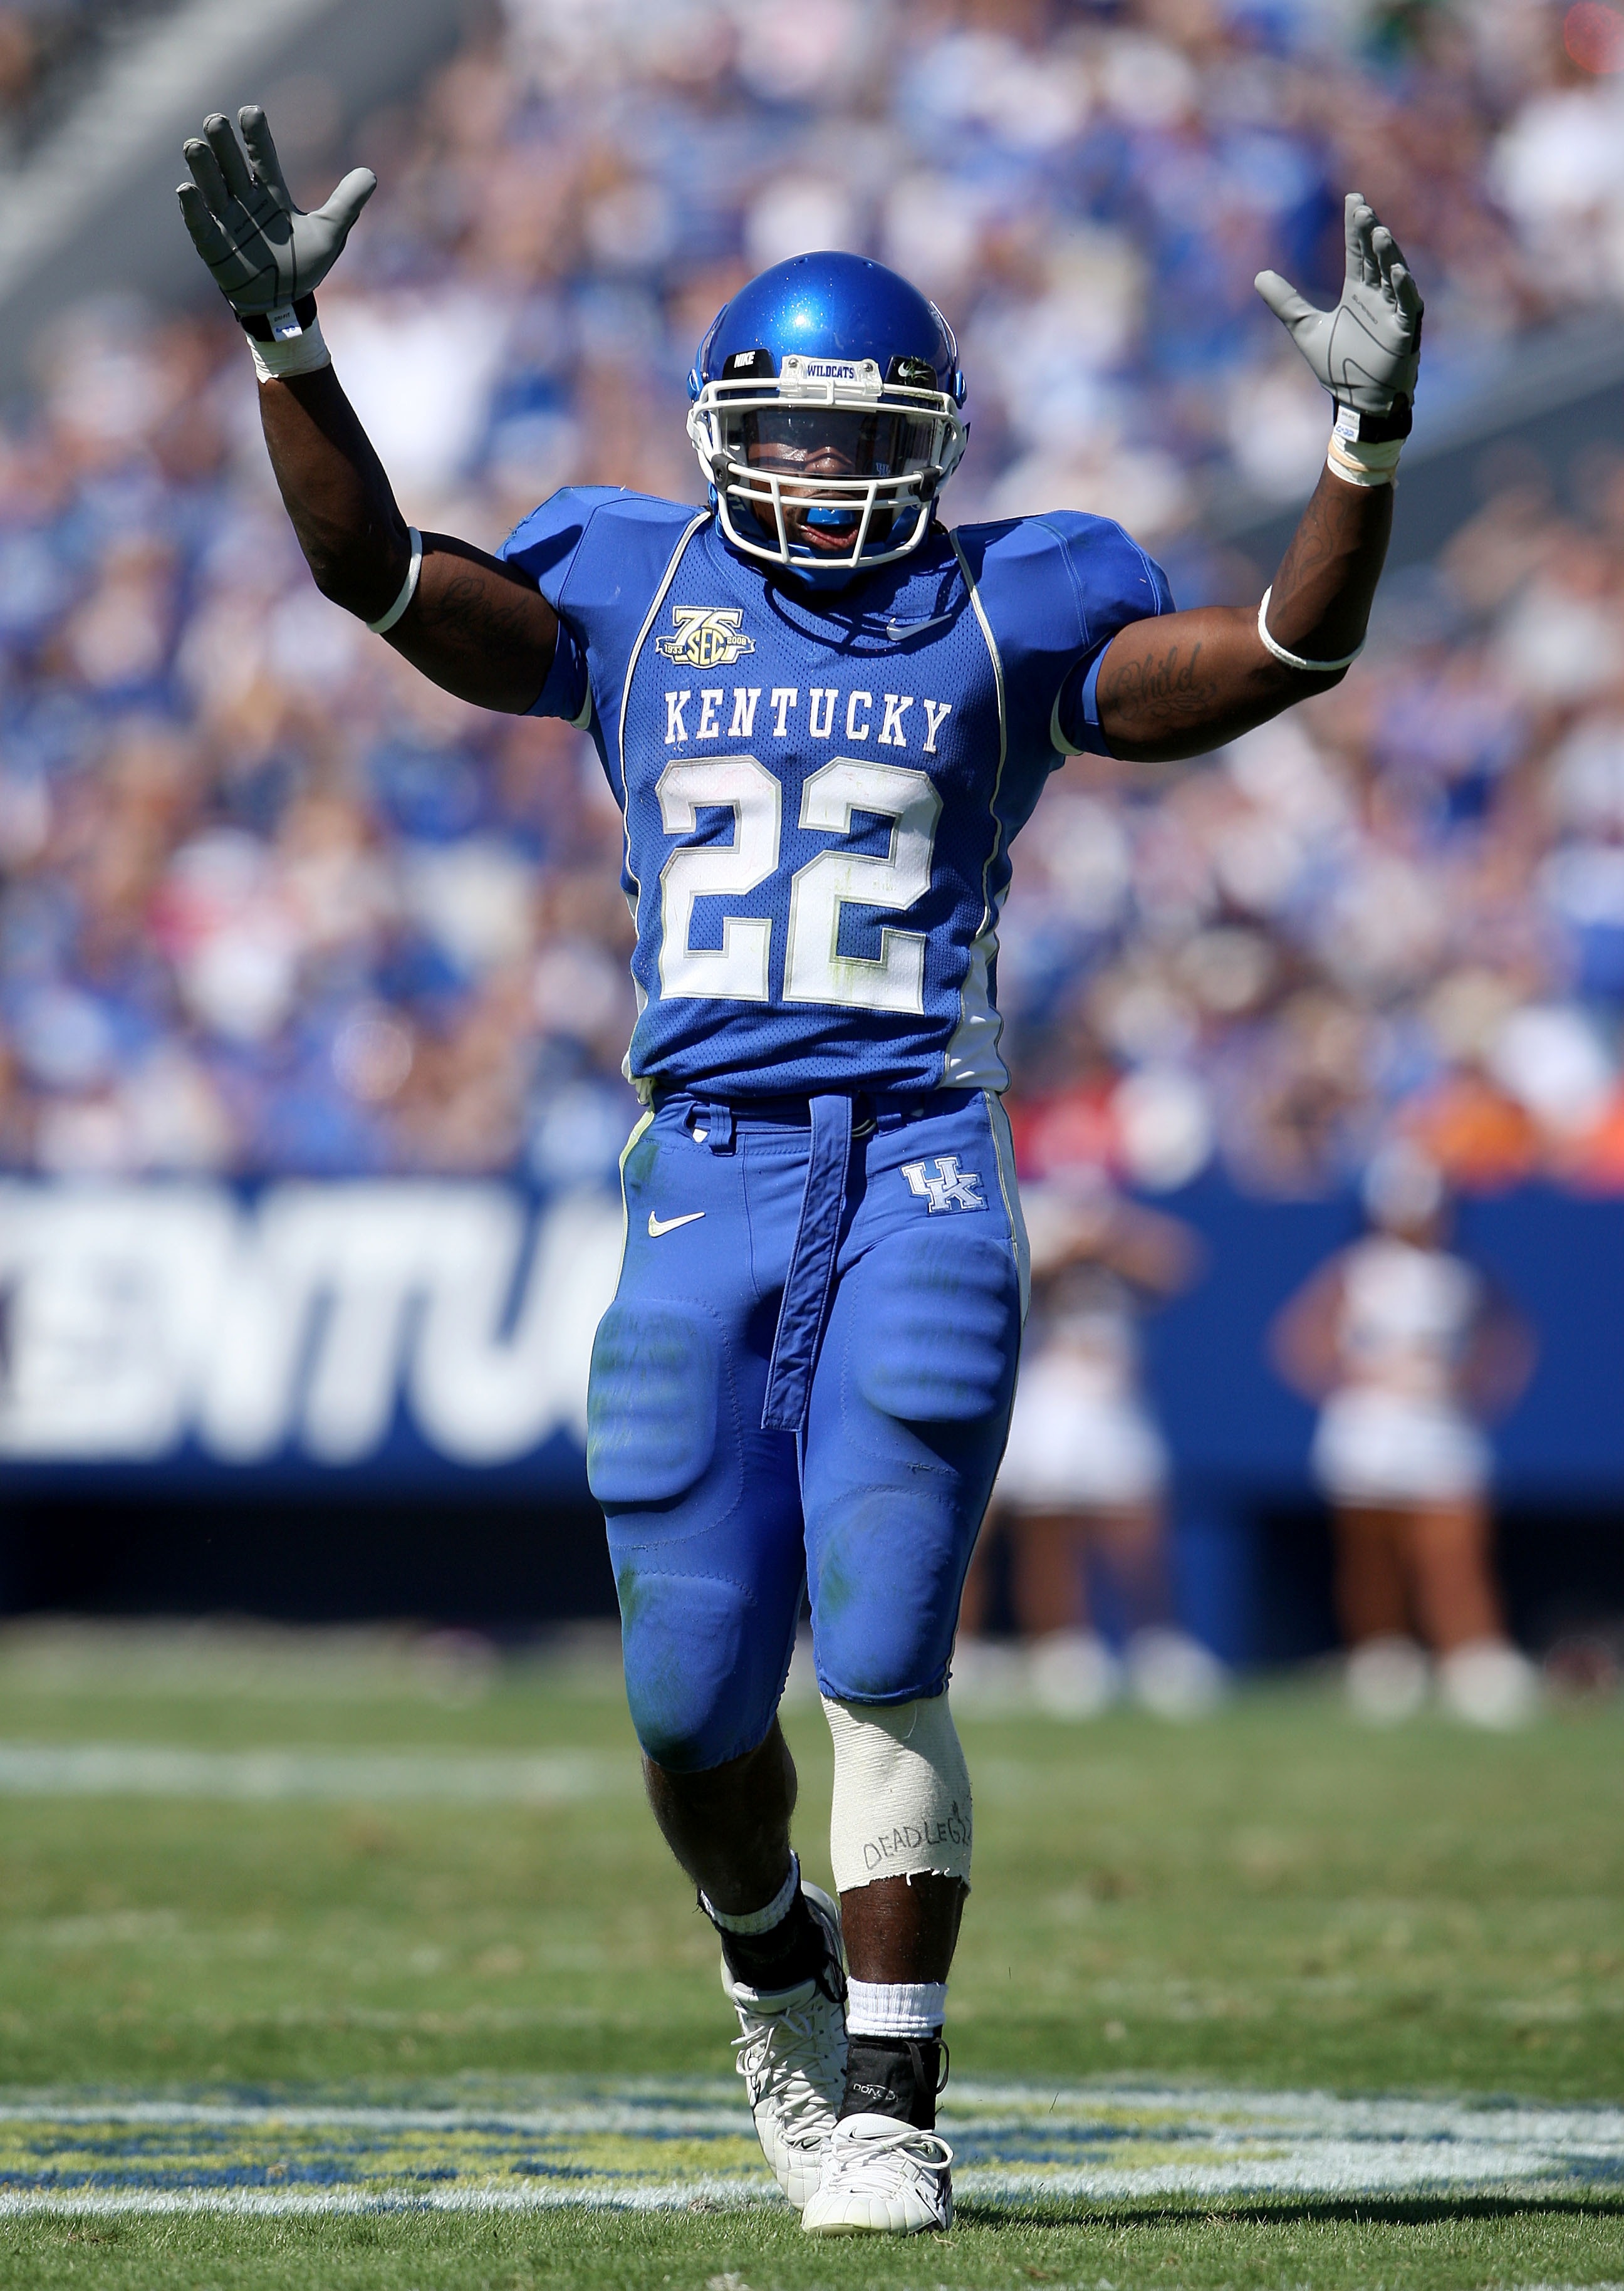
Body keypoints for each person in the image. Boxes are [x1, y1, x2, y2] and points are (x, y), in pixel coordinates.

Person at [177, 105, 1424, 2234]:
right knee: (685, 1697)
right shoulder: (633, 582)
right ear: (720, 431)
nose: (832, 475)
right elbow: (377, 576)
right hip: (707, 1170)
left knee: (881, 1635)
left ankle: (888, 2105)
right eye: (800, 435)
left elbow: (1279, 659)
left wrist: (1362, 454)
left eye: (870, 441)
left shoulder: (1016, 601)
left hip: (924, 1157)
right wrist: (293, 346)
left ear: (933, 442)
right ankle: (770, 1952)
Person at [1271, 1142, 1538, 1728]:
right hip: (1369, 1431)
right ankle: (1383, 1658)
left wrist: (1466, 1385)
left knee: (1454, 1548)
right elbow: (1301, 1341)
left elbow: (1506, 1343)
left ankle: (1472, 1658)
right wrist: (1363, 1377)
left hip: (1444, 1431)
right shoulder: (1357, 1271)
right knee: (1373, 1554)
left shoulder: (1463, 1275)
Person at [959, 1175, 1216, 1718]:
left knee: (1137, 1527)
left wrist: (1107, 1244)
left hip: (1114, 1404)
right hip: (1048, 1398)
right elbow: (1003, 1286)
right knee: (1047, 1530)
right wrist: (1060, 1258)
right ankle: (1060, 1647)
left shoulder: (1117, 1236)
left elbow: (1181, 1262)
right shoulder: (1023, 1221)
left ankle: (1157, 1646)